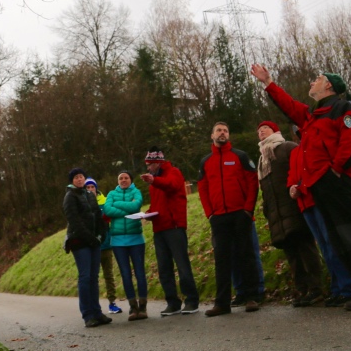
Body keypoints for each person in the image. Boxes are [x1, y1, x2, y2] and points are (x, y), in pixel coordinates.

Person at [250, 65, 351, 313]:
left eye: (317, 79)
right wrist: (268, 82)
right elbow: (290, 105)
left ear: (329, 86)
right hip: (318, 188)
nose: (312, 82)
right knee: (337, 241)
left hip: (335, 184)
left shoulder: (342, 109)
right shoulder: (313, 116)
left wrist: (336, 170)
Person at [256, 120, 324, 306]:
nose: (261, 132)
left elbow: (302, 168)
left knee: (306, 249)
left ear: (275, 130)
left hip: (295, 208)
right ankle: (302, 290)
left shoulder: (287, 147)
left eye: (265, 129)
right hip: (277, 214)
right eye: (259, 131)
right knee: (292, 255)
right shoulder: (262, 159)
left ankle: (316, 289)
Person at [197, 121, 260, 316]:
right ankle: (222, 303)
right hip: (219, 218)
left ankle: (251, 297)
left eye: (225, 130)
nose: (222, 133)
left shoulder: (240, 156)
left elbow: (252, 183)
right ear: (212, 135)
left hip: (240, 214)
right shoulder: (205, 162)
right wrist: (210, 214)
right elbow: (203, 188)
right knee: (221, 260)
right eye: (218, 130)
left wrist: (248, 210)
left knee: (246, 255)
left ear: (229, 135)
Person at [288, 141, 351, 307]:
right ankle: (337, 289)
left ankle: (348, 288)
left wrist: (302, 187)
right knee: (325, 248)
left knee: (332, 244)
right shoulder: (295, 152)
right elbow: (292, 174)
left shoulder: (313, 146)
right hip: (304, 205)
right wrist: (291, 187)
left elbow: (315, 170)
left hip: (316, 200)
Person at [140, 146, 201, 316]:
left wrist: (154, 180)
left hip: (174, 226)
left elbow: (172, 186)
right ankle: (172, 302)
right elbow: (156, 204)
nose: (148, 168)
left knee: (182, 265)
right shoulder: (154, 182)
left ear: (158, 162)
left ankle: (191, 300)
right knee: (164, 267)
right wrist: (147, 214)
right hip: (159, 228)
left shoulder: (173, 172)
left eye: (150, 164)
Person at [63, 168, 111, 327]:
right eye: (76, 177)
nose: (79, 179)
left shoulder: (90, 195)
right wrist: (91, 238)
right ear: (72, 180)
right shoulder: (70, 197)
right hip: (80, 242)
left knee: (94, 277)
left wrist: (102, 233)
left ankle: (97, 312)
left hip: (94, 241)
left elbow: (98, 215)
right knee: (85, 277)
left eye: (81, 177)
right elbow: (75, 221)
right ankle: (88, 315)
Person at [103, 171, 149, 320]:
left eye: (126, 178)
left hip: (136, 239)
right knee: (125, 274)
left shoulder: (136, 191)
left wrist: (118, 205)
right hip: (117, 241)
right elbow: (107, 210)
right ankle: (133, 307)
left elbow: (136, 206)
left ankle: (143, 306)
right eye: (120, 178)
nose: (123, 180)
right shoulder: (111, 194)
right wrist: (127, 208)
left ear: (130, 179)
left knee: (140, 273)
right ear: (118, 181)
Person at [85, 178, 122, 314]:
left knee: (109, 275)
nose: (90, 190)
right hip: (90, 246)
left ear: (96, 188)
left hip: (105, 244)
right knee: (91, 277)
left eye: (92, 187)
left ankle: (112, 302)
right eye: (87, 187)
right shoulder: (82, 204)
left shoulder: (105, 201)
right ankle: (92, 306)